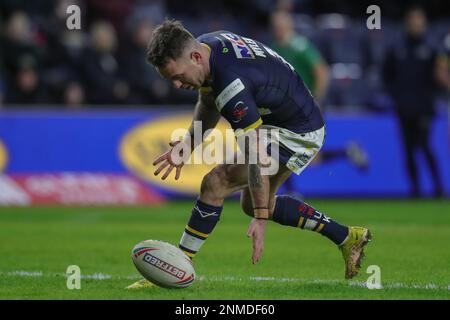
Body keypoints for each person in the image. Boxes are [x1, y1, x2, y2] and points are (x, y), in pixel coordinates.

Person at [127, 20, 371, 289]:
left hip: (296, 130)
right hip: (285, 117)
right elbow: (208, 102)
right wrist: (187, 146)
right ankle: (348, 237)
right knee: (251, 201)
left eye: (178, 76)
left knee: (216, 182)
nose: (176, 84)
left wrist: (261, 219)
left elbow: (254, 152)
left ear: (195, 57)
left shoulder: (232, 85)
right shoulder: (208, 45)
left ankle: (177, 265)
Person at [270, 10, 369, 195]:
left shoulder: (299, 46)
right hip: (285, 109)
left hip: (302, 109)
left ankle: (291, 191)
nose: (278, 29)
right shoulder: (276, 47)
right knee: (286, 149)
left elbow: (322, 72)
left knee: (292, 152)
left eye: (281, 25)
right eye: (275, 26)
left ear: (289, 26)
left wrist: (316, 100)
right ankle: (346, 153)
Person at [382, 6, 444, 198]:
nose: (415, 24)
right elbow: (386, 75)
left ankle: (438, 188)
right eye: (411, 20)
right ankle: (415, 189)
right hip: (403, 107)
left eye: (418, 20)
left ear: (424, 23)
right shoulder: (397, 48)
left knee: (425, 146)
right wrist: (395, 96)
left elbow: (439, 77)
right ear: (406, 23)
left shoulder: (433, 49)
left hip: (424, 106)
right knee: (408, 149)